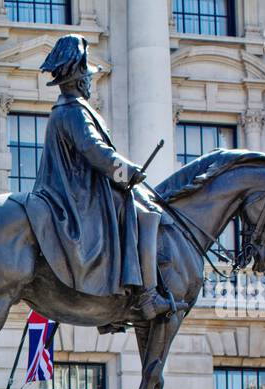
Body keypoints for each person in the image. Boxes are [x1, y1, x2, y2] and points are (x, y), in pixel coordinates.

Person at [28, 35, 174, 324]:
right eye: (88, 77)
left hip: (72, 190)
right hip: (77, 196)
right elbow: (95, 151)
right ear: (80, 81)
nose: (90, 83)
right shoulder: (74, 112)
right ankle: (145, 295)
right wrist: (127, 172)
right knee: (144, 214)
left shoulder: (66, 110)